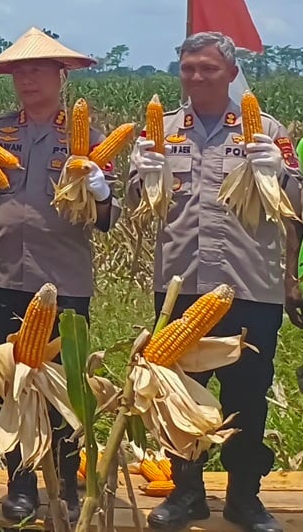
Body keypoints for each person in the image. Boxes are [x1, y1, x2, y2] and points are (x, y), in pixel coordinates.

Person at [133, 32, 301, 532]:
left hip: (249, 287)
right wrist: (140, 172)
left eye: (207, 68)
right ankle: (186, 494)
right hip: (180, 288)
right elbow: (137, 205)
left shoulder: (267, 131)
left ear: (230, 73)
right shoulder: (163, 131)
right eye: (188, 68)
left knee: (246, 396)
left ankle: (244, 498)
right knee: (180, 397)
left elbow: (299, 205)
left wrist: (281, 174)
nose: (196, 77)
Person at [0, 28, 113, 520]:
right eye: (19, 72)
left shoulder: (88, 138)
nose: (27, 80)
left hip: (64, 279)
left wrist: (101, 190)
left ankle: (66, 485)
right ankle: (21, 484)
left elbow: (108, 218)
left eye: (37, 70)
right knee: (11, 384)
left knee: (66, 389)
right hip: (5, 274)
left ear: (60, 76)